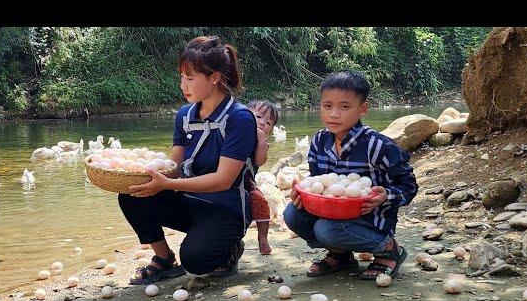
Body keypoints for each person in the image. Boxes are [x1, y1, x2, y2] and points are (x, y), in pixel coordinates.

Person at [118, 36, 257, 284]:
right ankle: (164, 259)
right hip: (191, 201)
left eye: (190, 78)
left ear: (214, 77)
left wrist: (167, 185)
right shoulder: (185, 115)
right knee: (132, 193)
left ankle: (230, 248)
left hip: (226, 209)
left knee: (195, 261)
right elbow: (175, 168)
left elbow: (223, 180)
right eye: (181, 77)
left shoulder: (240, 118)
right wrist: (144, 171)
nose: (183, 85)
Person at [283, 70, 418, 279]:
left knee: (326, 230)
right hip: (333, 215)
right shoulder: (319, 142)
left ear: (363, 109)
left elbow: (409, 185)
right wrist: (304, 194)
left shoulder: (378, 146)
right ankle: (341, 255)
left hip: (371, 220)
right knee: (292, 213)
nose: (334, 114)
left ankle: (388, 249)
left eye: (344, 106)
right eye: (327, 106)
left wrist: (386, 196)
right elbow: (322, 186)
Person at [246, 100, 279, 255]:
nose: (262, 123)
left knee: (261, 203)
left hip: (248, 183)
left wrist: (260, 141)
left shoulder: (263, 143)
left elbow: (260, 161)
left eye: (268, 123)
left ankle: (263, 237)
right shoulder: (235, 133)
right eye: (258, 116)